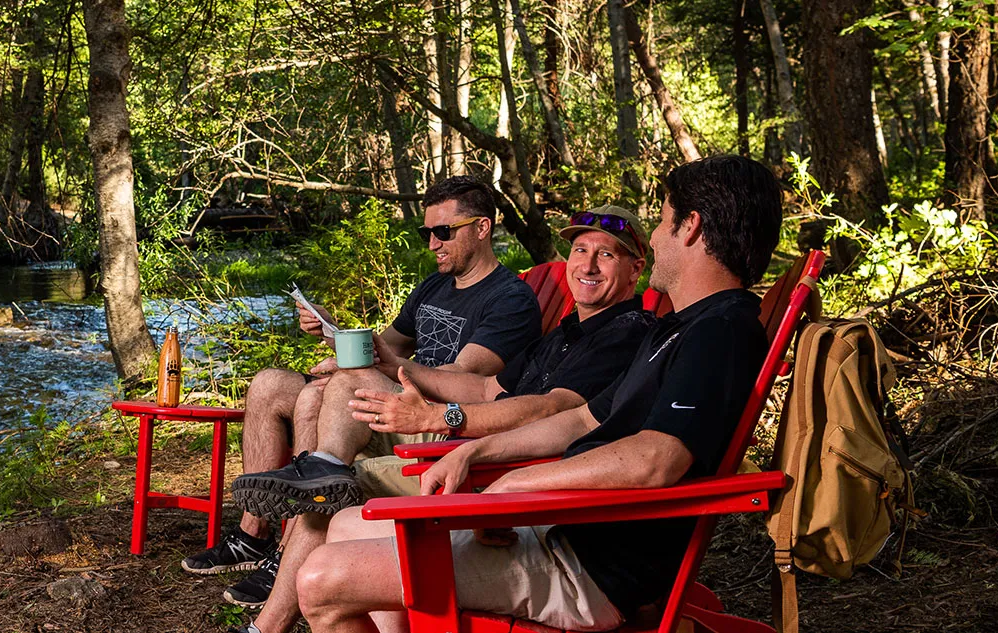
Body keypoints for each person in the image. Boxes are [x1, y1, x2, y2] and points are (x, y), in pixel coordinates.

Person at [291, 154, 788, 633]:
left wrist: (514, 487)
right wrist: (475, 451)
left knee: (320, 580)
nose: (657, 238)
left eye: (661, 223)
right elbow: (582, 420)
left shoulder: (720, 331)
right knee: (347, 527)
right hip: (560, 526)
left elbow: (657, 459)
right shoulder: (678, 328)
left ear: (692, 227)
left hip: (589, 561)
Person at [220, 206, 661, 632]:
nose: (588, 264)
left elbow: (555, 410)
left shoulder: (622, 332)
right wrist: (394, 367)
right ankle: (320, 477)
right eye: (580, 250)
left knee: (334, 481)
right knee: (331, 474)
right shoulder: (567, 332)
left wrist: (440, 416)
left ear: (635, 269)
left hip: (502, 467)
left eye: (606, 254)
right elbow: (488, 388)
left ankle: (274, 606)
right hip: (473, 445)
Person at [181, 177, 542, 607]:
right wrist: (334, 332)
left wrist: (369, 367)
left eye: (443, 232)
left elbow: (463, 377)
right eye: (426, 233)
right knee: (269, 385)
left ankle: (287, 553)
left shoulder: (510, 300)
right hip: (385, 391)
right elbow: (387, 346)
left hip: (434, 416)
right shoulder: (434, 287)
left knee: (322, 392)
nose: (432, 244)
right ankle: (251, 536)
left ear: (482, 228)